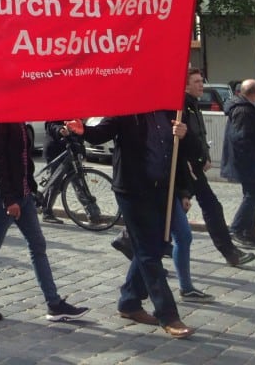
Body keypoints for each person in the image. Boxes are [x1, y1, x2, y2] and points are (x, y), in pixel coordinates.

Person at [68, 111, 196, 339]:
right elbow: (100, 133)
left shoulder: (167, 113)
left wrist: (183, 134)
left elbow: (178, 152)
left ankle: (129, 301)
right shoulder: (126, 112)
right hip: (132, 191)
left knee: (154, 246)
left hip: (161, 189)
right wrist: (83, 130)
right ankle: (168, 316)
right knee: (149, 253)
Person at [0, 122, 89, 322]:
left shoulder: (19, 120)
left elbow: (24, 159)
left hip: (23, 195)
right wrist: (8, 199)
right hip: (2, 197)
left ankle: (54, 303)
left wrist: (31, 189)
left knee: (37, 245)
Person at [181, 70, 254, 265]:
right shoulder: (181, 106)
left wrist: (203, 156)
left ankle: (131, 240)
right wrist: (192, 159)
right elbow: (183, 139)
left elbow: (198, 136)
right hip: (186, 168)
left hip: (194, 166)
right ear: (185, 85)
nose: (201, 85)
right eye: (196, 82)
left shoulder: (192, 104)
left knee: (179, 211)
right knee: (210, 207)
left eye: (200, 81)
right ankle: (230, 252)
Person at [222, 79, 255, 248]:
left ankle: (249, 232)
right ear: (254, 93)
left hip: (247, 162)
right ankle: (237, 228)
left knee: (252, 194)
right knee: (254, 195)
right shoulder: (243, 110)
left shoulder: (244, 108)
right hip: (246, 163)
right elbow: (241, 139)